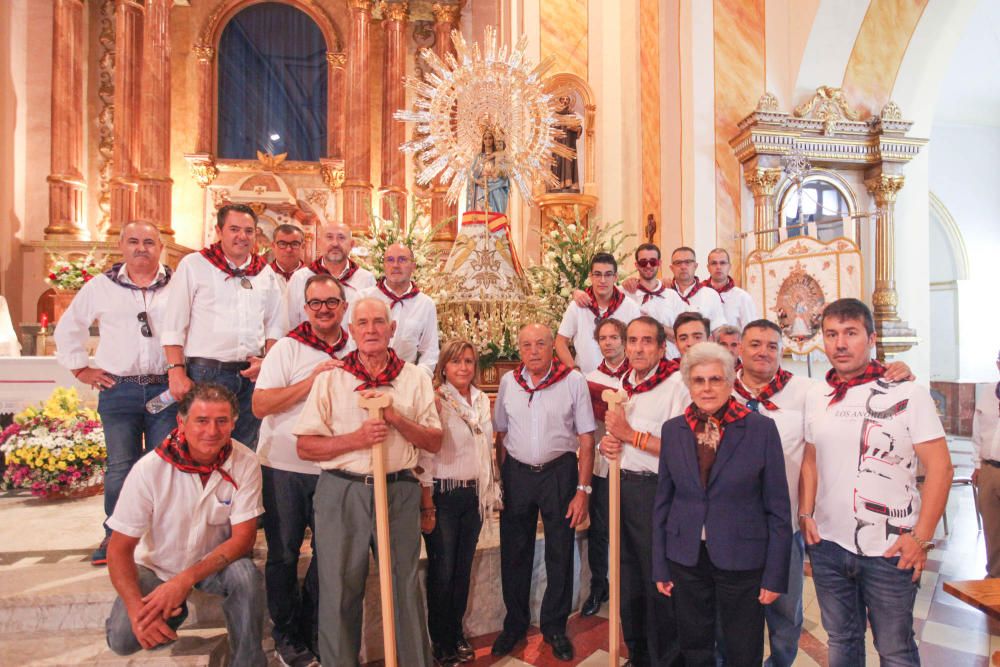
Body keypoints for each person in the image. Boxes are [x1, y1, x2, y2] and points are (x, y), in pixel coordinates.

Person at [799, 298, 952, 667]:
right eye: (831, 334)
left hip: (890, 548)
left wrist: (920, 537)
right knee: (842, 640)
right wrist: (805, 513)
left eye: (851, 333)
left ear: (871, 338)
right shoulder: (817, 395)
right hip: (829, 546)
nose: (840, 343)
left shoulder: (908, 393)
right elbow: (810, 457)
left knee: (895, 649)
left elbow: (941, 468)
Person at [294, 297, 442, 667]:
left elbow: (434, 441)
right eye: (363, 323)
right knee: (339, 588)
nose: (372, 329)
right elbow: (305, 447)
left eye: (379, 322)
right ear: (351, 330)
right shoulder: (331, 379)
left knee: (403, 588)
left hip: (398, 491)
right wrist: (356, 440)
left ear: (393, 330)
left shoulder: (414, 378)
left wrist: (395, 418)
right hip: (342, 491)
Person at [104, 383, 265, 666]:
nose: (212, 431)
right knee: (123, 640)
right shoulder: (150, 469)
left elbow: (243, 540)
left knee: (245, 574)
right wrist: (135, 610)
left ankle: (247, 661)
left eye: (221, 421)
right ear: (182, 421)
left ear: (233, 423)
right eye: (201, 421)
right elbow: (118, 549)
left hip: (212, 564)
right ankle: (170, 611)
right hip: (158, 566)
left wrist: (184, 581)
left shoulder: (246, 462)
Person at [653, 342, 791, 667]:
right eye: (699, 380)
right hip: (686, 556)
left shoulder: (760, 429)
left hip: (742, 556)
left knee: (742, 646)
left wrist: (775, 575)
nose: (707, 388)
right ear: (688, 384)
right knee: (694, 643)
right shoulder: (673, 431)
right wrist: (660, 564)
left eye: (716, 379)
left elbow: (778, 508)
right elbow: (663, 501)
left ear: (730, 383)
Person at [54, 220, 178, 566]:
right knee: (121, 466)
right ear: (122, 246)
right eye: (135, 241)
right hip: (119, 388)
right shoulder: (101, 287)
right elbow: (69, 327)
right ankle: (116, 536)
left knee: (162, 465)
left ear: (160, 247)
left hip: (164, 389)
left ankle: (160, 535)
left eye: (150, 242)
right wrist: (81, 367)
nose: (142, 248)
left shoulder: (178, 285)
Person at [251, 274, 352, 666]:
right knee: (284, 554)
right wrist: (311, 382)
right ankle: (287, 634)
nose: (324, 309)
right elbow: (260, 405)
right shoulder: (288, 349)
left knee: (330, 555)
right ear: (305, 308)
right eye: (316, 303)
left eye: (331, 302)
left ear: (344, 306)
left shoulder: (356, 347)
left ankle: (310, 627)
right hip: (284, 467)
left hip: (334, 466)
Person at [491, 323, 596, 662]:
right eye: (526, 345)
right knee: (514, 551)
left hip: (559, 473)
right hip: (518, 474)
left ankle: (554, 626)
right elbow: (500, 435)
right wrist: (499, 483)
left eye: (540, 344)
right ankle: (515, 623)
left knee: (560, 552)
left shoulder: (572, 381)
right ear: (518, 349)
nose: (533, 351)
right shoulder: (509, 382)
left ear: (553, 346)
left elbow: (586, 438)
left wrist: (582, 490)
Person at [161, 204, 287, 450]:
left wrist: (267, 362)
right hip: (207, 373)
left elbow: (275, 323)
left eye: (249, 231)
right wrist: (175, 371)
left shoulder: (264, 272)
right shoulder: (194, 265)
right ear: (219, 231)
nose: (242, 236)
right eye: (234, 229)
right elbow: (174, 323)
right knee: (203, 447)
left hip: (251, 376)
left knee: (245, 448)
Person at [600, 316, 685, 666]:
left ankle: (666, 658)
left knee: (658, 581)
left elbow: (683, 450)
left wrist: (628, 435)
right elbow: (620, 438)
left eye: (647, 341)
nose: (637, 348)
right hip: (622, 488)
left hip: (657, 493)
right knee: (626, 577)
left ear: (662, 348)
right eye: (632, 340)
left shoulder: (676, 385)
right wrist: (612, 444)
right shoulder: (624, 385)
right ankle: (638, 653)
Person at [419, 339, 502, 666]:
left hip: (473, 494)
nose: (463, 367)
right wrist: (427, 504)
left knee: (462, 570)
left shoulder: (481, 399)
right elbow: (425, 453)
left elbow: (486, 447)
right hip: (443, 493)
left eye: (469, 361)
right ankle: (440, 640)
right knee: (442, 571)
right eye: (456, 362)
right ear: (444, 367)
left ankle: (455, 633)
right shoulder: (436, 400)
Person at [579, 317, 629, 618]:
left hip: (632, 463)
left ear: (624, 340)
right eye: (603, 338)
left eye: (614, 337)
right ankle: (600, 585)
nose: (608, 342)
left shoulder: (636, 377)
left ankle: (628, 586)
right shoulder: (591, 379)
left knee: (630, 529)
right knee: (600, 529)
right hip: (601, 461)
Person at [360, 243, 440, 376]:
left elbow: (429, 351)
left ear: (413, 266)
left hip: (406, 379)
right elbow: (352, 340)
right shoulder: (364, 298)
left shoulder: (425, 304)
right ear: (384, 265)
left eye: (402, 259)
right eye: (390, 260)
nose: (396, 265)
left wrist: (417, 378)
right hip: (366, 376)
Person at [556, 252, 641, 374]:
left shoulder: (630, 307)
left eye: (608, 274)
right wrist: (574, 370)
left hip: (622, 379)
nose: (602, 280)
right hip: (585, 379)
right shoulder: (577, 306)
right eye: (597, 274)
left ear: (615, 277)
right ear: (590, 276)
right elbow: (560, 342)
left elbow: (637, 343)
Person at [286, 223, 376, 328]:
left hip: (352, 344)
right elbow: (289, 322)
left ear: (351, 244)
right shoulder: (300, 278)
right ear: (319, 243)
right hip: (310, 344)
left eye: (341, 238)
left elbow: (371, 321)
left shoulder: (366, 279)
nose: (335, 243)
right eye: (329, 237)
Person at [973, 349, 1000, 578]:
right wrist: (977, 465)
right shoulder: (988, 391)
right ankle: (994, 576)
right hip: (989, 469)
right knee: (992, 528)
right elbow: (977, 429)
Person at [667, 247, 727, 330]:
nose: (683, 266)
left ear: (695, 266)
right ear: (671, 268)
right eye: (678, 263)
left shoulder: (710, 295)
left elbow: (718, 329)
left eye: (688, 262)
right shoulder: (664, 295)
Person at [702, 248, 757, 330]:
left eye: (723, 263)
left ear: (729, 266)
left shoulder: (742, 297)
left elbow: (750, 330)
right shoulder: (700, 294)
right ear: (708, 267)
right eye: (714, 263)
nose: (718, 267)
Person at [466, 128, 510, 214]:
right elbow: (471, 175)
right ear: (483, 141)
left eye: (490, 138)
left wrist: (496, 179)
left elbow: (505, 177)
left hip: (496, 189)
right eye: (485, 138)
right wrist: (478, 181)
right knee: (482, 214)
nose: (488, 140)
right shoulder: (479, 157)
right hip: (481, 189)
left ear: (494, 140)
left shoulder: (499, 156)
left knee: (496, 215)